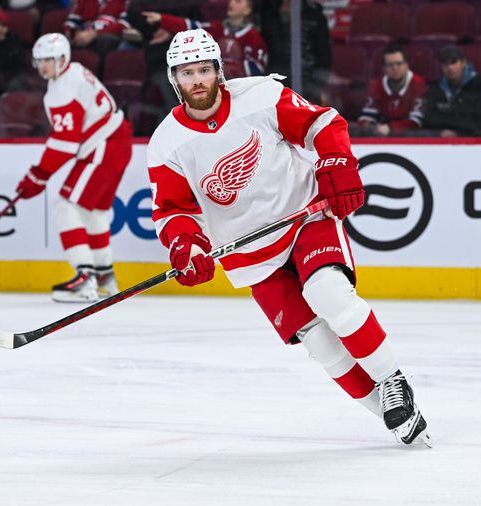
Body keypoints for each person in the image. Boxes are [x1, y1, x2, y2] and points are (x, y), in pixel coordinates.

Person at [146, 29, 431, 446]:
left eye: (205, 69)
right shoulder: (166, 144)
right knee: (319, 343)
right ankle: (396, 416)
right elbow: (173, 210)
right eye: (188, 73)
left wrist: (337, 161)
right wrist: (186, 246)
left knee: (328, 293)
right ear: (175, 80)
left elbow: (321, 122)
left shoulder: (260, 97)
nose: (198, 81)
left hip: (303, 216)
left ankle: (392, 379)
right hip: (247, 250)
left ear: (219, 71)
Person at [15, 33, 132, 302]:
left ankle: (85, 278)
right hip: (114, 142)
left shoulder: (63, 87)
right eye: (39, 60)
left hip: (104, 144)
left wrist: (38, 175)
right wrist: (40, 174)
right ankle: (105, 278)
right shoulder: (75, 72)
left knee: (66, 206)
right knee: (93, 213)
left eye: (48, 60)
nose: (42, 66)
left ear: (63, 59)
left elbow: (66, 143)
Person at [142, 0, 268, 79]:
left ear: (247, 10)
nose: (231, 3)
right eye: (231, 0)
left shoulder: (253, 37)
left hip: (238, 91)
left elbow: (257, 70)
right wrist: (162, 19)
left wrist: (230, 69)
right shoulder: (217, 28)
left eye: (238, 1)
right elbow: (192, 27)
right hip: (212, 84)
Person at [258, 0, 331, 105]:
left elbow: (324, 58)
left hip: (305, 84)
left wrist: (316, 88)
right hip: (273, 85)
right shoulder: (268, 13)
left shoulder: (315, 16)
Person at [423, 45, 481, 137]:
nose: (450, 67)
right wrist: (441, 132)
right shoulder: (436, 87)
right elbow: (428, 119)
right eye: (445, 64)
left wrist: (458, 132)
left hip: (475, 140)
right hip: (443, 139)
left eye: (454, 62)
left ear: (463, 63)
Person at [356, 44, 427, 137]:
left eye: (399, 63)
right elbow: (367, 115)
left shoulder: (419, 84)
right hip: (381, 134)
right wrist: (368, 125)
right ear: (384, 68)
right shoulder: (376, 85)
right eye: (390, 65)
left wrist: (391, 127)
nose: (395, 68)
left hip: (410, 137)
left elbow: (416, 121)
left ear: (407, 65)